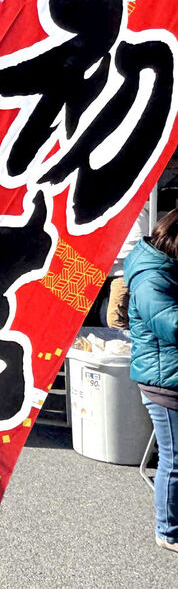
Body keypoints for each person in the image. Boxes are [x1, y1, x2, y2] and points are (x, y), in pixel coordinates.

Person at [125, 209, 178, 553]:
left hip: (170, 375)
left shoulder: (164, 267)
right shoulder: (149, 276)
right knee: (174, 460)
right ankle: (168, 530)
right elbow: (171, 324)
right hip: (163, 383)